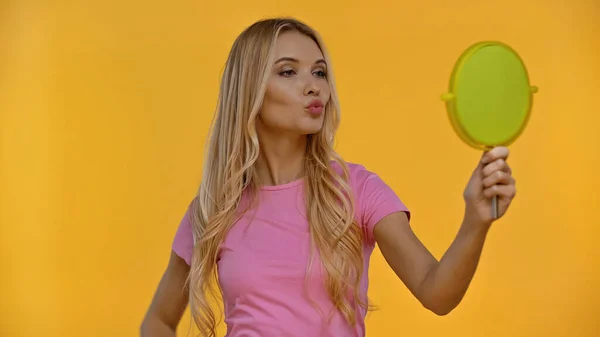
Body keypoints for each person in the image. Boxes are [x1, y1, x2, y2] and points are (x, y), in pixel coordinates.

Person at [140, 17, 516, 337]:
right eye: (289, 71)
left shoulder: (358, 190)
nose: (314, 85)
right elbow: (157, 321)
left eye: (319, 71)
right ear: (249, 90)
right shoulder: (213, 209)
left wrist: (475, 221)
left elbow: (437, 293)